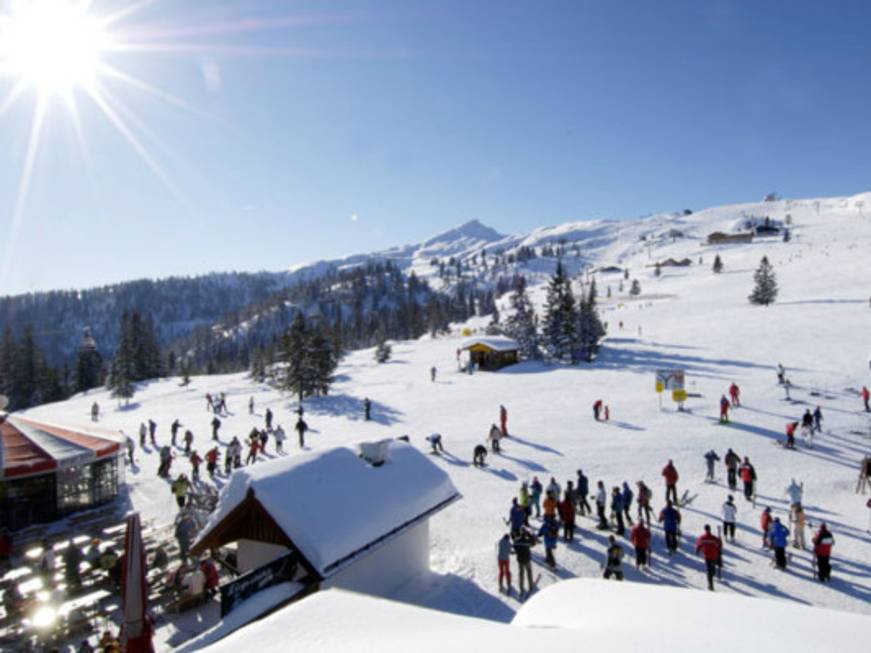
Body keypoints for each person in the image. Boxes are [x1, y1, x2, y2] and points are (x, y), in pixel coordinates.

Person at [695, 525, 722, 591]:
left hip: (707, 556)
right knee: (711, 570)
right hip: (714, 556)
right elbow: (719, 545)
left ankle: (710, 583)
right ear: (710, 529)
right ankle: (711, 584)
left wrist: (697, 550)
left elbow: (699, 544)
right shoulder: (714, 538)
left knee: (709, 570)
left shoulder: (702, 538)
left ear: (705, 530)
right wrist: (720, 541)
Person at [512, 529, 537, 595]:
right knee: (529, 571)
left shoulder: (517, 541)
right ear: (525, 534)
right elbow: (534, 543)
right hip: (527, 559)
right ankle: (530, 585)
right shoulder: (527, 541)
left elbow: (514, 547)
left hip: (520, 560)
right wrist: (530, 535)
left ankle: (521, 588)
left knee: (521, 573)